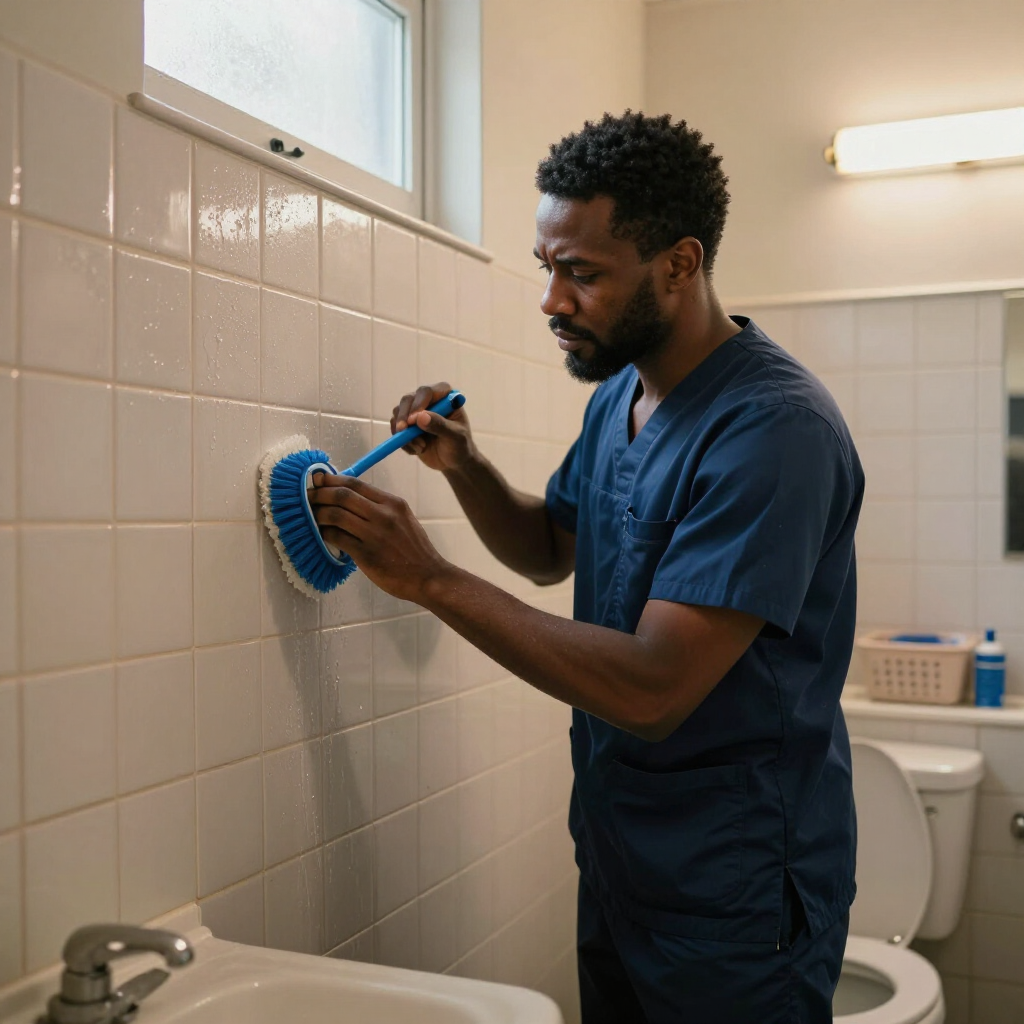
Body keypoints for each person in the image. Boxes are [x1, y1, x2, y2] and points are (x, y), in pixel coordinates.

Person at [310, 111, 863, 1023]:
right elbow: (550, 550)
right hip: (620, 857)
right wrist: (468, 468)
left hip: (737, 895)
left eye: (583, 274)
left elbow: (654, 690)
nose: (552, 301)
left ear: (679, 264)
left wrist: (431, 578)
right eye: (548, 267)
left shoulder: (775, 431)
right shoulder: (620, 397)